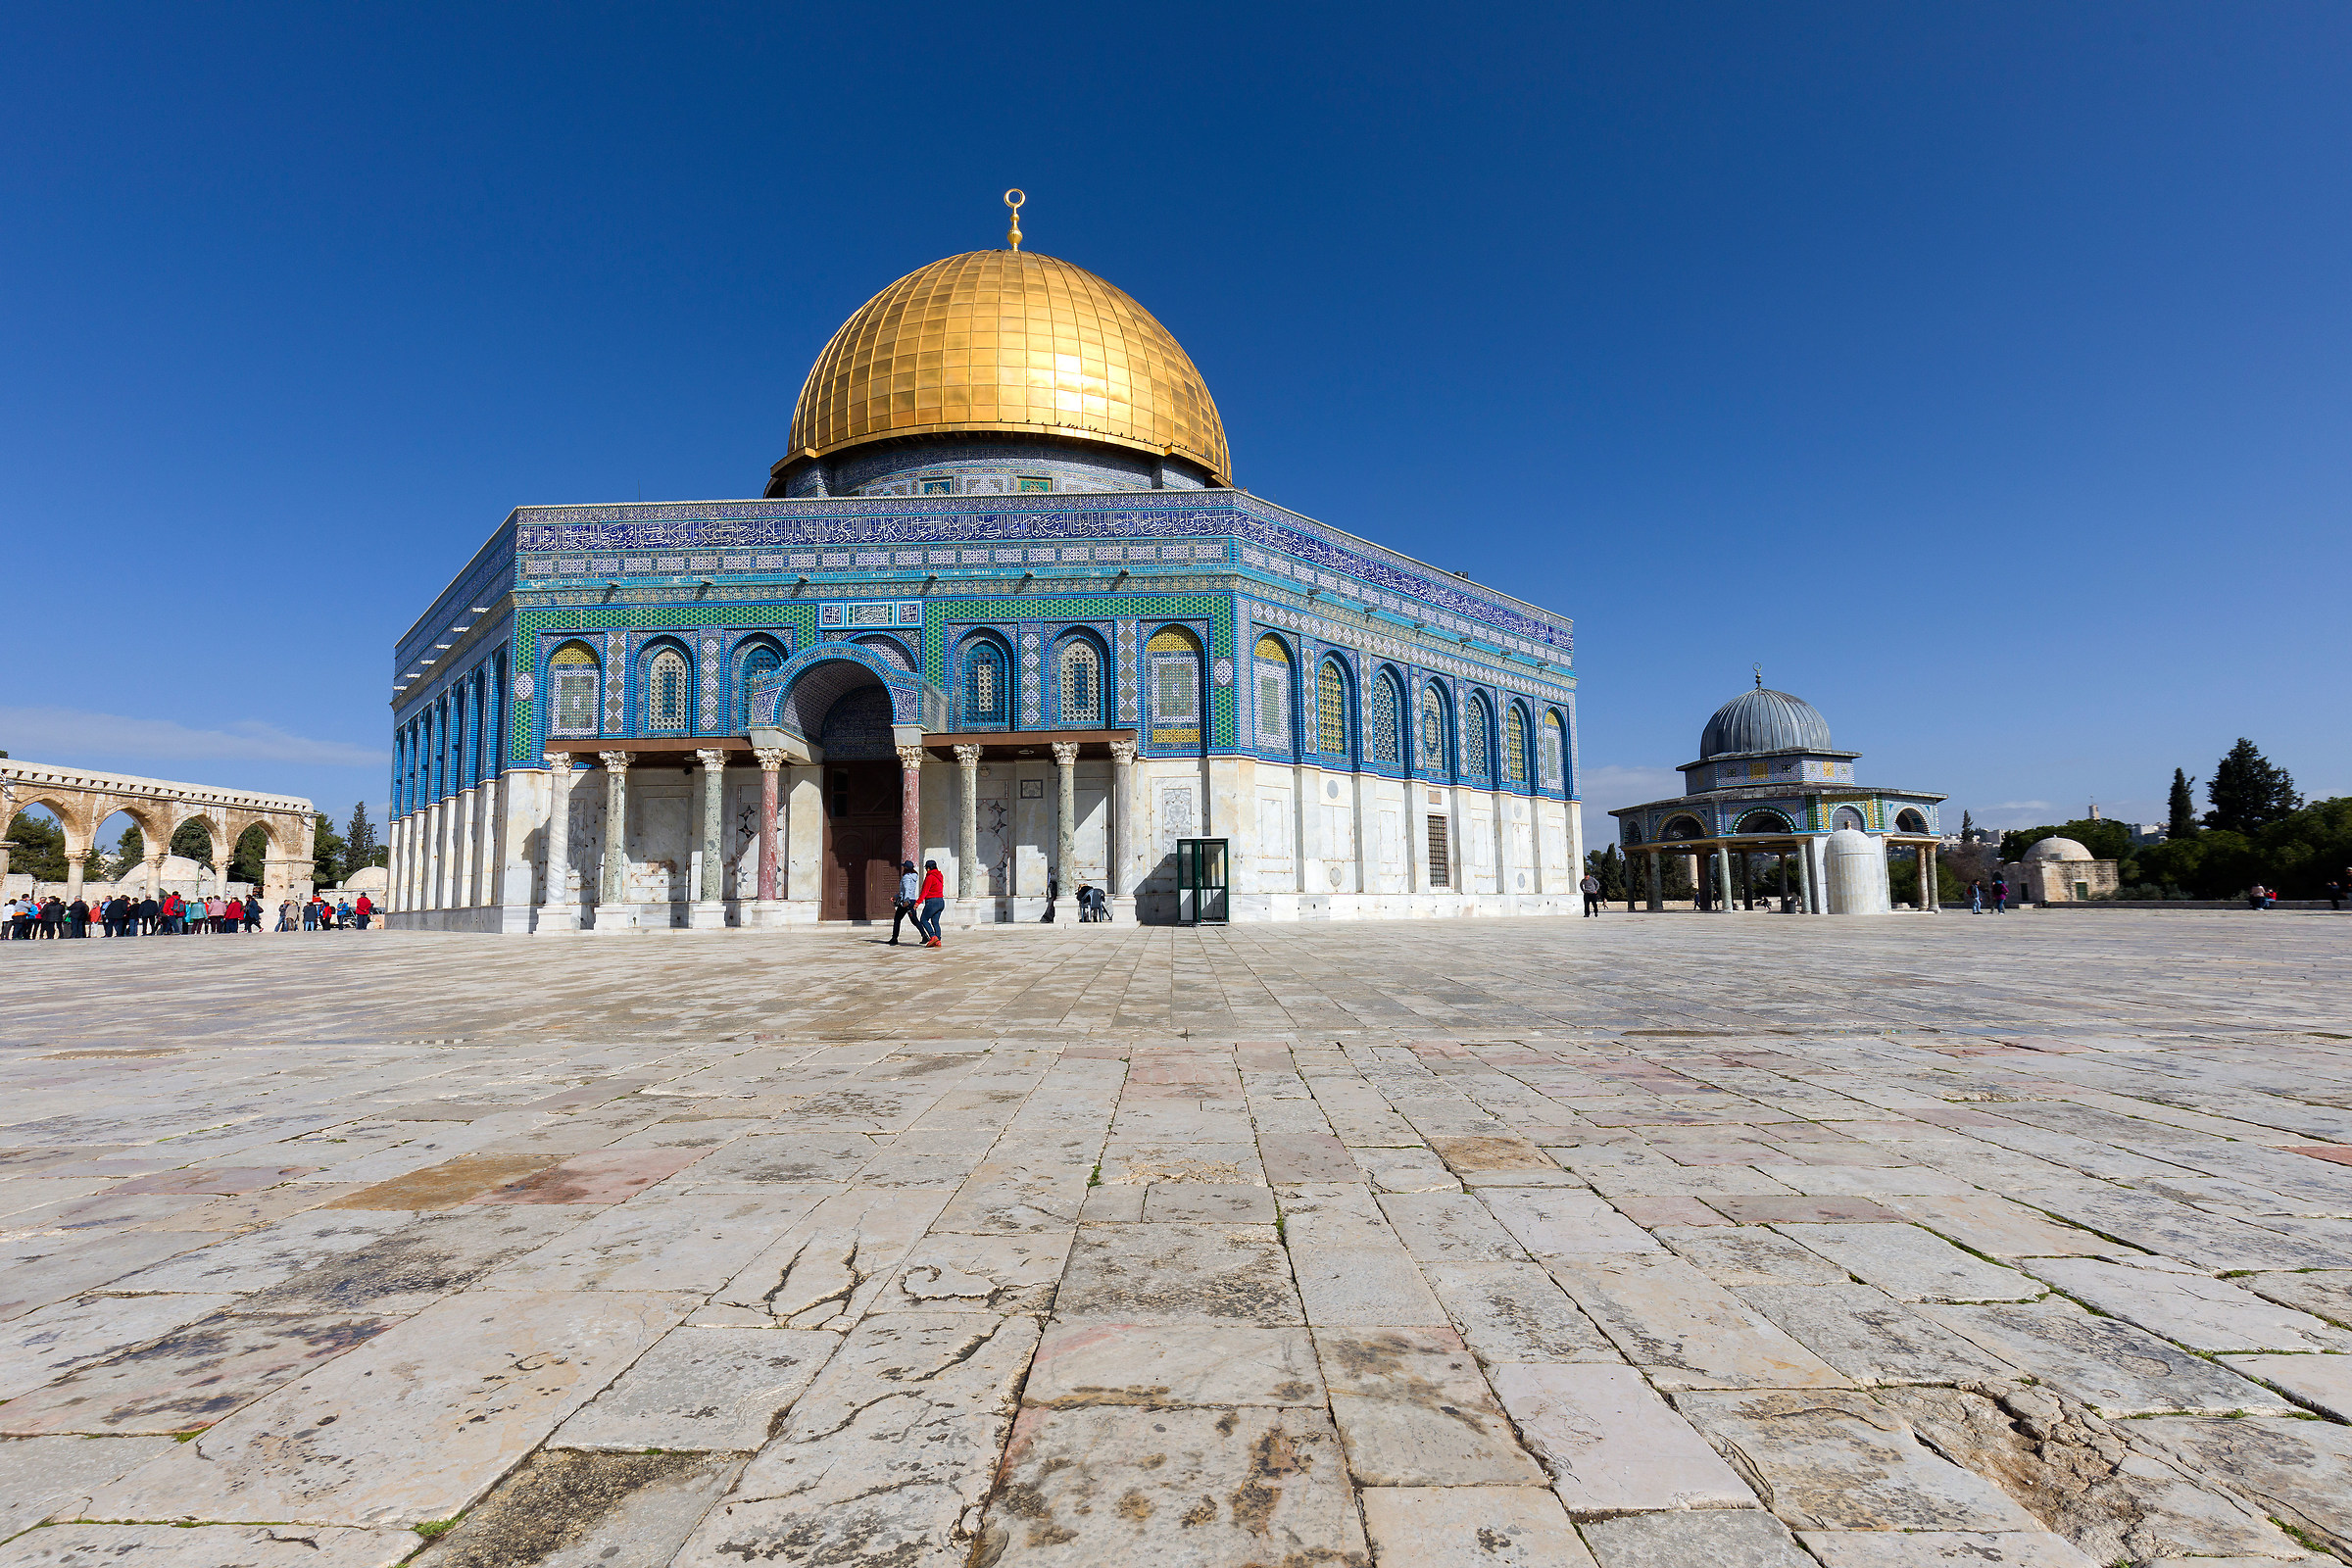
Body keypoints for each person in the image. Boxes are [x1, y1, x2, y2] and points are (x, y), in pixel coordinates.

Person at [887, 861, 921, 945]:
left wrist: (905, 901)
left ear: (906, 868)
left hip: (906, 901)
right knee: (914, 920)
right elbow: (904, 890)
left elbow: (906, 889)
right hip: (912, 900)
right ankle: (925, 935)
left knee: (897, 919)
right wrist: (896, 896)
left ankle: (894, 938)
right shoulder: (914, 876)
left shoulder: (906, 877)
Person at [916, 859, 946, 948]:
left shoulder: (930, 877)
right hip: (941, 901)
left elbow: (925, 891)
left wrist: (918, 902)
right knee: (935, 922)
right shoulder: (940, 876)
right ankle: (938, 940)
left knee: (923, 920)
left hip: (932, 902)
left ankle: (933, 936)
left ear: (928, 868)